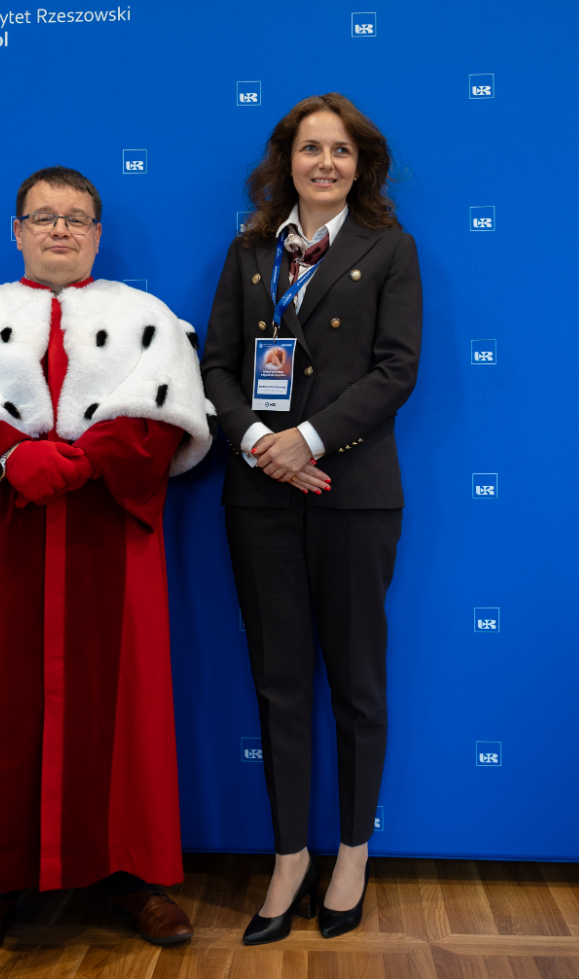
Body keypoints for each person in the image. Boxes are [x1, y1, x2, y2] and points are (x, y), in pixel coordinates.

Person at [0, 166, 214, 964]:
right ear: (17, 232)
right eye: (43, 217)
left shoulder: (147, 319)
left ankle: (134, 874)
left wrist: (85, 459)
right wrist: (10, 455)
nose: (60, 229)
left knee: (127, 705)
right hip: (7, 535)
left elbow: (164, 416)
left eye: (75, 217)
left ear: (98, 234)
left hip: (111, 533)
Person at [200, 94, 422, 944]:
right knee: (278, 682)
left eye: (339, 150)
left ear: (361, 165)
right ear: (284, 161)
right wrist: (262, 443)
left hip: (352, 492)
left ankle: (352, 853)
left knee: (356, 684)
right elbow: (215, 366)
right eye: (308, 148)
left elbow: (396, 370)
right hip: (259, 494)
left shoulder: (389, 249)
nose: (323, 163)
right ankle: (288, 857)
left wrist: (310, 439)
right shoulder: (250, 250)